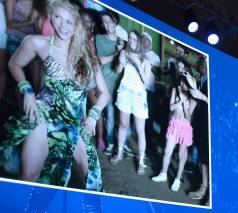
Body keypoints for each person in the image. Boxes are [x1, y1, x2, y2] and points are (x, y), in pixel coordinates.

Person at [3, 0, 110, 190]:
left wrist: (94, 114)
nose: (62, 25)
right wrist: (27, 90)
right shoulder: (38, 43)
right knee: (29, 176)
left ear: (76, 25)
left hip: (77, 122)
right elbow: (14, 64)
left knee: (93, 176)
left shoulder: (87, 55)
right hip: (45, 115)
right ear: (50, 18)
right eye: (58, 17)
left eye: (69, 21)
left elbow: (105, 94)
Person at [151, 72, 203, 191]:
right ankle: (163, 174)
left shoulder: (194, 97)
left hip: (185, 128)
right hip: (174, 124)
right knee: (168, 150)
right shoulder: (175, 89)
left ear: (189, 85)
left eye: (184, 83)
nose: (181, 83)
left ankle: (177, 179)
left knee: (181, 155)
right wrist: (180, 100)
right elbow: (171, 107)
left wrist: (184, 101)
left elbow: (188, 114)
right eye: (181, 81)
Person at [110, 29, 151, 175]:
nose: (132, 42)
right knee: (123, 124)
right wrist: (121, 64)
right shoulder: (124, 53)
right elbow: (116, 71)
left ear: (139, 41)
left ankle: (141, 162)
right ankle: (119, 152)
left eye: (134, 39)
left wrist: (138, 65)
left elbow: (146, 82)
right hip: (125, 93)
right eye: (130, 39)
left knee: (140, 130)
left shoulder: (145, 60)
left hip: (139, 96)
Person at [95, 9, 120, 155]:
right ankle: (110, 142)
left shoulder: (123, 41)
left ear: (114, 22)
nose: (107, 24)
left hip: (120, 85)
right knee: (110, 115)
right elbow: (102, 60)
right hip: (106, 83)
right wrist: (118, 52)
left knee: (120, 118)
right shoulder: (99, 38)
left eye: (109, 21)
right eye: (104, 22)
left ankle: (121, 143)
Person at [188, 57, 209, 202]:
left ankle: (211, 194)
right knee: (202, 156)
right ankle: (203, 187)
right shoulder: (201, 80)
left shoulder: (215, 80)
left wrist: (201, 96)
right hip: (201, 122)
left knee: (209, 158)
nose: (200, 68)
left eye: (202, 65)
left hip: (212, 125)